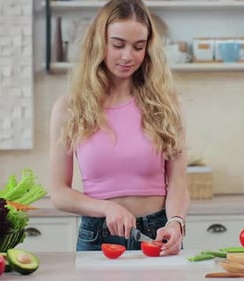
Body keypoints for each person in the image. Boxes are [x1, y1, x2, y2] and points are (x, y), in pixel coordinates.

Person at [49, 0, 189, 256]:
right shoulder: (70, 107)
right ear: (99, 42)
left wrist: (176, 222)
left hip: (157, 233)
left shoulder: (166, 105)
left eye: (138, 47)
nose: (128, 56)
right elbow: (58, 192)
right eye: (117, 44)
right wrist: (105, 208)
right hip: (98, 235)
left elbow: (178, 182)